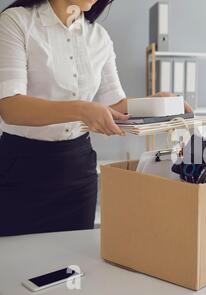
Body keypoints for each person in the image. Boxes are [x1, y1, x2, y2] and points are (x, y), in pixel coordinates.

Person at [0, 0, 190, 236]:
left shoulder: (99, 37)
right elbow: (10, 106)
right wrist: (81, 109)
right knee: (16, 264)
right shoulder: (16, 22)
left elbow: (116, 105)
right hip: (22, 168)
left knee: (72, 263)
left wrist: (158, 104)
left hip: (78, 172)